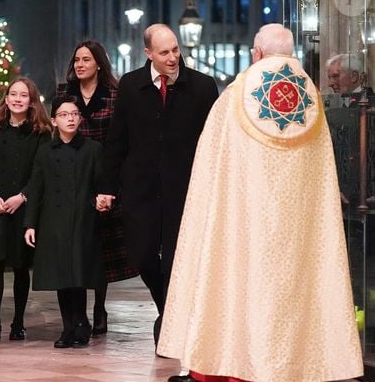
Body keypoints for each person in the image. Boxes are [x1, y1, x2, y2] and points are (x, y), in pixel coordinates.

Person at [157, 24, 363, 382]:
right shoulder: (312, 98)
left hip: (245, 222)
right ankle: (298, 365)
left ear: (258, 53)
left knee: (237, 281)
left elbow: (211, 167)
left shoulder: (237, 95)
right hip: (299, 227)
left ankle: (230, 366)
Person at [97, 23, 218, 344]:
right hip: (140, 188)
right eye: (164, 52)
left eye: (175, 49)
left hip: (186, 188)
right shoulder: (130, 84)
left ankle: (169, 320)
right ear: (148, 52)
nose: (173, 57)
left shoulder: (204, 87)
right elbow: (117, 140)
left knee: (178, 258)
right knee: (143, 255)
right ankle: (168, 309)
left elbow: (214, 142)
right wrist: (106, 186)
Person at [57, 40, 138, 336]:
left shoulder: (116, 96)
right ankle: (76, 312)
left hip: (105, 177)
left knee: (101, 247)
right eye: (76, 59)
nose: (79, 64)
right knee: (75, 244)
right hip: (71, 175)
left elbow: (125, 139)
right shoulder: (63, 93)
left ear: (99, 64)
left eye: (86, 59)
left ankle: (99, 306)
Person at [24, 95, 105, 349]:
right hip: (53, 222)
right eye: (64, 115)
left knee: (77, 274)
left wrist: (98, 202)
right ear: (54, 120)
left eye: (74, 114)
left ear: (80, 119)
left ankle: (81, 324)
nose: (70, 118)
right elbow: (35, 189)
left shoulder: (93, 149)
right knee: (60, 275)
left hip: (82, 219)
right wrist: (30, 224)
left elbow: (102, 184)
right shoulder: (45, 151)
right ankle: (67, 327)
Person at [0, 77, 52, 344]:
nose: (18, 99)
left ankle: (18, 322)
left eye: (23, 95)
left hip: (23, 207)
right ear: (6, 99)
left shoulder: (41, 133)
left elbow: (41, 172)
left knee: (20, 266)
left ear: (31, 101)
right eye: (13, 94)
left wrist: (23, 197)